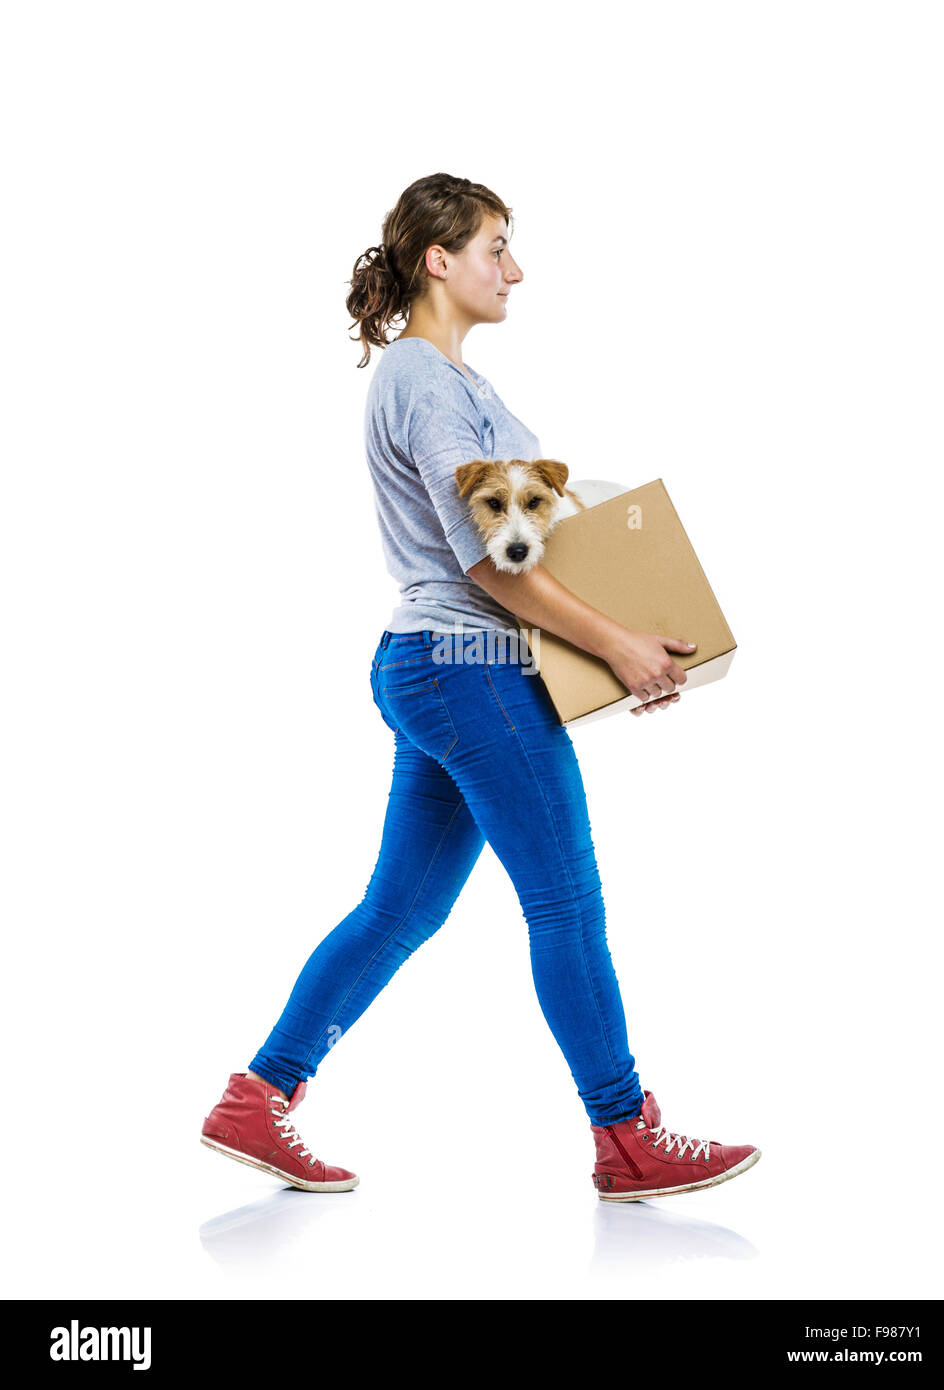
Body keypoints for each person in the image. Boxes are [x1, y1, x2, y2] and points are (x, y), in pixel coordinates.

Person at [200, 172, 760, 1201]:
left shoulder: (453, 381)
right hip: (470, 671)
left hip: (440, 667)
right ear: (438, 260)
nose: (516, 267)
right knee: (565, 900)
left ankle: (257, 1097)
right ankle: (626, 1135)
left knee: (400, 907)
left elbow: (533, 535)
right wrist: (623, 645)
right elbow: (488, 561)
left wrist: (614, 639)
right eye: (497, 245)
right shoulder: (421, 377)